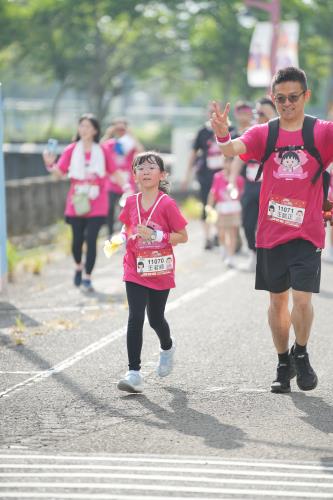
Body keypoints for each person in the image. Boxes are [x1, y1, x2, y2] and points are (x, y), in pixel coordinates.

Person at [210, 66, 333, 394]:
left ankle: (302, 353)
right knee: (278, 302)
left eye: (294, 97)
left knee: (303, 299)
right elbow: (231, 149)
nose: (287, 103)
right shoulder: (265, 133)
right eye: (280, 98)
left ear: (306, 96)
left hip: (307, 233)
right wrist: (223, 133)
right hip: (271, 232)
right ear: (273, 99)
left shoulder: (321, 133)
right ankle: (283, 361)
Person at [111, 151, 188, 393]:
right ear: (134, 175)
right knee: (135, 317)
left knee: (155, 318)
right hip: (134, 266)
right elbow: (128, 225)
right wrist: (121, 238)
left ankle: (167, 347)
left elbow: (183, 236)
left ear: (162, 175)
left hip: (159, 268)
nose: (145, 171)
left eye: (151, 167)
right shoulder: (131, 201)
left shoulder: (167, 204)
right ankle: (134, 373)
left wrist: (156, 235)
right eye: (140, 168)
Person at [43, 113, 110, 292]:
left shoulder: (102, 150)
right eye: (81, 126)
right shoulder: (71, 150)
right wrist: (50, 165)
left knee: (91, 239)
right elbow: (60, 173)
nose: (84, 129)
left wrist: (128, 187)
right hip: (77, 201)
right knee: (77, 240)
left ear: (95, 130)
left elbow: (114, 172)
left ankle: (87, 277)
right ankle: (78, 266)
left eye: (88, 126)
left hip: (97, 201)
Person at [237, 97, 277, 271]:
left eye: (265, 112)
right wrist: (231, 179)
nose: (261, 115)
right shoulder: (253, 132)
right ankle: (253, 254)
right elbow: (238, 158)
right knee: (247, 223)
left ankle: (272, 259)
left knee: (272, 224)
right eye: (259, 112)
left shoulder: (280, 132)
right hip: (251, 186)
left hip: (273, 188)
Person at [182, 106, 226, 250]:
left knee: (223, 206)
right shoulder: (203, 132)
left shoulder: (229, 130)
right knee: (207, 206)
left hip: (224, 175)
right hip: (206, 175)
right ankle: (208, 237)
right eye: (211, 113)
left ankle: (219, 235)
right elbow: (193, 154)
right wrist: (187, 176)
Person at [102, 118, 143, 237]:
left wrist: (131, 134)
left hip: (127, 182)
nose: (120, 130)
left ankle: (125, 234)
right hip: (112, 182)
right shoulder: (110, 143)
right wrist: (108, 134)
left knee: (126, 211)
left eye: (122, 127)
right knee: (109, 208)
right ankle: (110, 234)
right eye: (117, 127)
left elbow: (141, 151)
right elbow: (98, 148)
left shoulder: (130, 144)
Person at [207, 157, 244, 267]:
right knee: (221, 233)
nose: (228, 164)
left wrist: (232, 179)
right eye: (226, 161)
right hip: (221, 209)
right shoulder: (217, 177)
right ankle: (223, 248)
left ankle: (231, 257)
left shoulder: (239, 179)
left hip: (233, 208)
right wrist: (209, 206)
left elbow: (240, 194)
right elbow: (213, 192)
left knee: (232, 234)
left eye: (230, 161)